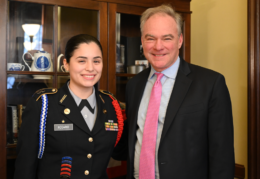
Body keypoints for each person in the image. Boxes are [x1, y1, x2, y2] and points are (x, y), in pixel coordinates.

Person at [113, 4, 235, 179]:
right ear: (142, 41)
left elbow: (222, 155)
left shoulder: (211, 84)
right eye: (150, 38)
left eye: (167, 38)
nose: (158, 46)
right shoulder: (134, 85)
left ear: (180, 40)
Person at [14, 34, 124, 179]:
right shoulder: (43, 105)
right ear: (66, 64)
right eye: (81, 61)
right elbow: (25, 168)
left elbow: (122, 151)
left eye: (96, 61)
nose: (90, 68)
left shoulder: (111, 104)